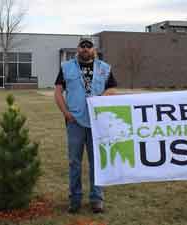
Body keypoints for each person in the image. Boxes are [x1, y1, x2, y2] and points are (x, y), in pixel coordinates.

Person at [54, 37, 117, 213]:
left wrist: (101, 100)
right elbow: (58, 92)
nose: (85, 49)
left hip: (97, 123)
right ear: (77, 49)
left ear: (94, 49)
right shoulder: (67, 67)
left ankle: (96, 199)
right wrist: (66, 113)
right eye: (82, 46)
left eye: (89, 46)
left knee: (96, 161)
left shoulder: (104, 68)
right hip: (74, 122)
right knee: (74, 162)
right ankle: (75, 199)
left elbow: (112, 89)